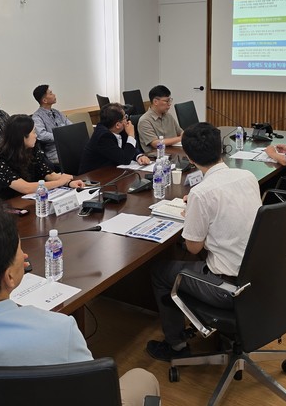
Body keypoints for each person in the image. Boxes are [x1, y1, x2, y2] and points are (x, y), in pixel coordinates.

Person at [0, 201, 159, 406]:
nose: (25, 255)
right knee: (143, 378)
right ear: (9, 277)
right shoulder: (59, 330)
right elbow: (91, 394)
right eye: (19, 250)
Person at [146, 122, 261, 361]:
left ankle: (176, 345)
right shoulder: (248, 176)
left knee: (159, 271)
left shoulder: (201, 192)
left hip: (228, 288)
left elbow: (193, 247)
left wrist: (195, 215)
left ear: (188, 157)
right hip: (260, 277)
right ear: (221, 148)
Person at [0, 115, 84, 201]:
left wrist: (68, 182)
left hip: (23, 200)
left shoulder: (32, 150)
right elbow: (26, 188)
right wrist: (60, 182)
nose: (36, 135)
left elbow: (48, 174)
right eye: (33, 132)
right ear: (22, 136)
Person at [78, 103, 151, 174]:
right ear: (117, 125)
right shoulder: (103, 137)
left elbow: (129, 148)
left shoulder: (119, 129)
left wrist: (139, 156)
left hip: (113, 170)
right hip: (94, 175)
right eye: (125, 117)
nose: (127, 120)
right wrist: (131, 135)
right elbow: (125, 159)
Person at [31, 84, 72, 167]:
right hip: (54, 151)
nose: (54, 95)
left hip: (67, 146)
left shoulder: (57, 112)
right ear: (44, 100)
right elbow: (41, 135)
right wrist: (61, 135)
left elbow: (70, 125)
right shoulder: (37, 117)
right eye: (50, 93)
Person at [137, 85, 183, 150]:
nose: (169, 104)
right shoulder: (145, 120)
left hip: (174, 151)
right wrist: (180, 138)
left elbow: (180, 132)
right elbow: (156, 143)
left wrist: (185, 135)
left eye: (170, 100)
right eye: (167, 101)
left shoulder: (168, 116)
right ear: (155, 102)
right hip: (157, 154)